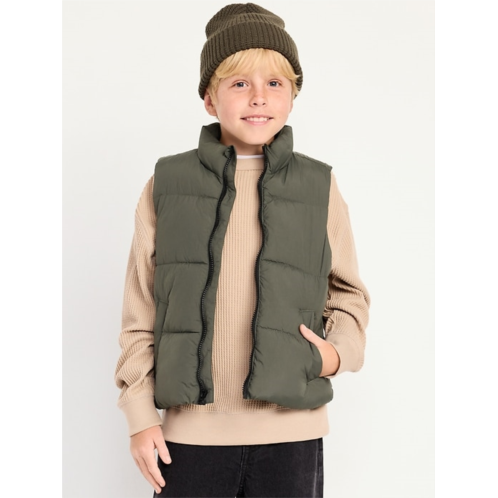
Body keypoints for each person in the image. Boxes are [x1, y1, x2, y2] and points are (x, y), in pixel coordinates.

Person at [114, 3, 371, 497]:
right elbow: (140, 309)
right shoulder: (167, 184)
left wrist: (335, 355)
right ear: (209, 99)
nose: (259, 97)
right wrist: (140, 415)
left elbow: (348, 293)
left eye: (274, 83)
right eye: (238, 83)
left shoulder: (318, 185)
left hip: (291, 434)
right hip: (188, 437)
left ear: (293, 95)